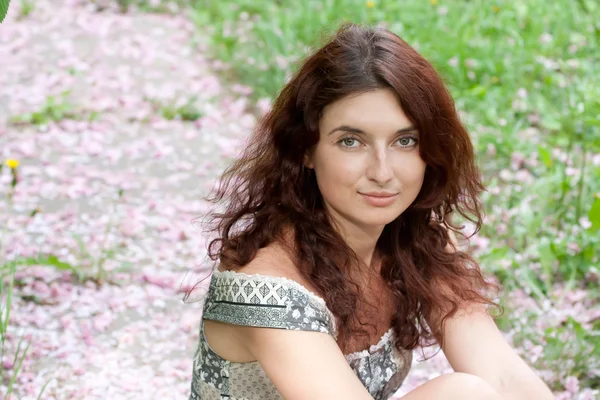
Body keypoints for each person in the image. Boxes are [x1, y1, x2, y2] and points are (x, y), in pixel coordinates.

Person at [187, 23, 555, 400]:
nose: (382, 172)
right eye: (351, 141)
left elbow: (503, 376)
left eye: (405, 141)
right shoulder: (265, 291)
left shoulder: (415, 244)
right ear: (306, 149)